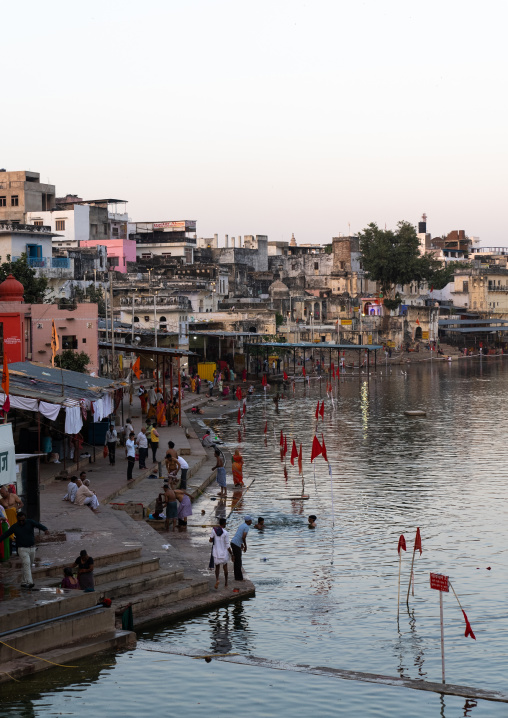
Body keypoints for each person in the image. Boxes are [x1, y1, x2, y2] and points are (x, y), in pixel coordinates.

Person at [0, 512, 49, 588]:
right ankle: (30, 582)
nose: (21, 522)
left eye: (23, 520)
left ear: (25, 518)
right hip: (22, 549)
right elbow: (5, 535)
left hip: (32, 548)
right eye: (20, 520)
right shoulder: (15, 527)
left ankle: (23, 582)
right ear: (17, 519)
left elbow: (38, 525)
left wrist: (45, 529)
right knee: (26, 564)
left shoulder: (30, 522)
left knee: (28, 566)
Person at [210, 517, 232, 589]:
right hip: (224, 553)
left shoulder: (214, 530)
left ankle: (217, 579)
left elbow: (210, 540)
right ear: (224, 523)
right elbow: (227, 545)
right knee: (225, 567)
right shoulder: (226, 533)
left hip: (216, 552)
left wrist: (214, 539)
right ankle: (226, 583)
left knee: (217, 567)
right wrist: (231, 554)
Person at [230, 515, 252, 581]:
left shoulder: (242, 525)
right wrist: (245, 545)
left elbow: (239, 535)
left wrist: (241, 544)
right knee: (238, 562)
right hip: (236, 544)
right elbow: (243, 537)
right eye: (251, 520)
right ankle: (239, 578)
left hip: (234, 543)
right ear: (249, 521)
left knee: (236, 561)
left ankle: (237, 577)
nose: (251, 522)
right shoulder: (246, 527)